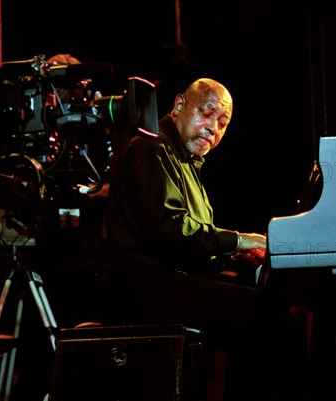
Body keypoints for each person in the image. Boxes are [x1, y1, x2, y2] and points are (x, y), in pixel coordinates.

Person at [90, 77, 305, 401]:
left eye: (222, 123)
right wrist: (238, 241)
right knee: (265, 312)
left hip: (160, 278)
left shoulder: (184, 160)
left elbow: (188, 240)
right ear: (178, 106)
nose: (213, 129)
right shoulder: (153, 147)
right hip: (137, 284)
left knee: (262, 304)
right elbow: (169, 232)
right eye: (207, 114)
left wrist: (231, 254)